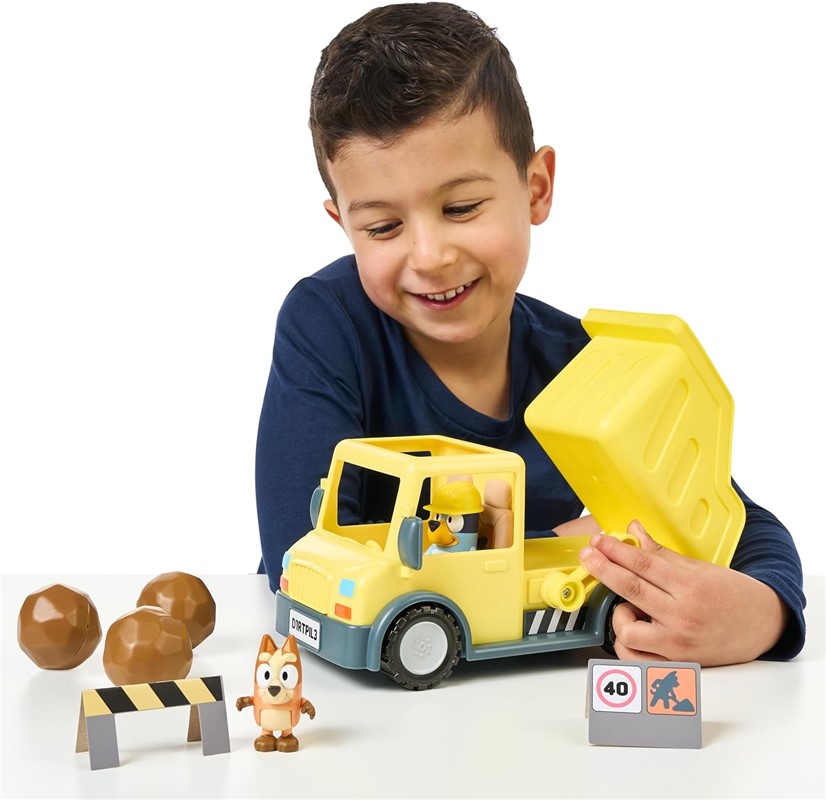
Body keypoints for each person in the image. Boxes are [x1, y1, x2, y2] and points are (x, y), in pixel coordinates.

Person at [255, 2, 805, 666]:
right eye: (383, 227)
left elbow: (739, 525)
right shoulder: (328, 323)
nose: (429, 256)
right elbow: (300, 549)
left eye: (462, 207)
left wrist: (762, 612)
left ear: (536, 187)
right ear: (342, 223)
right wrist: (568, 543)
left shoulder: (590, 369)